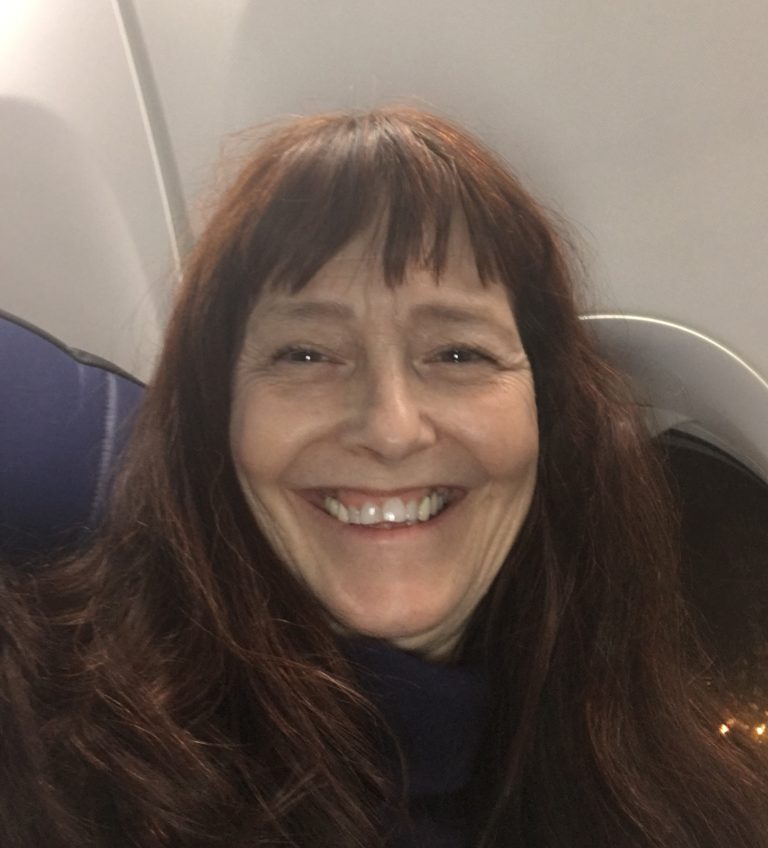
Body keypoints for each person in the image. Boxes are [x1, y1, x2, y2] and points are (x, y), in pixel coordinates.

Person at [1, 107, 766, 847]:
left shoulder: (670, 781)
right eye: (305, 354)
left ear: (548, 416)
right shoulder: (55, 746)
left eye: (458, 353)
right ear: (216, 420)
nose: (392, 428)